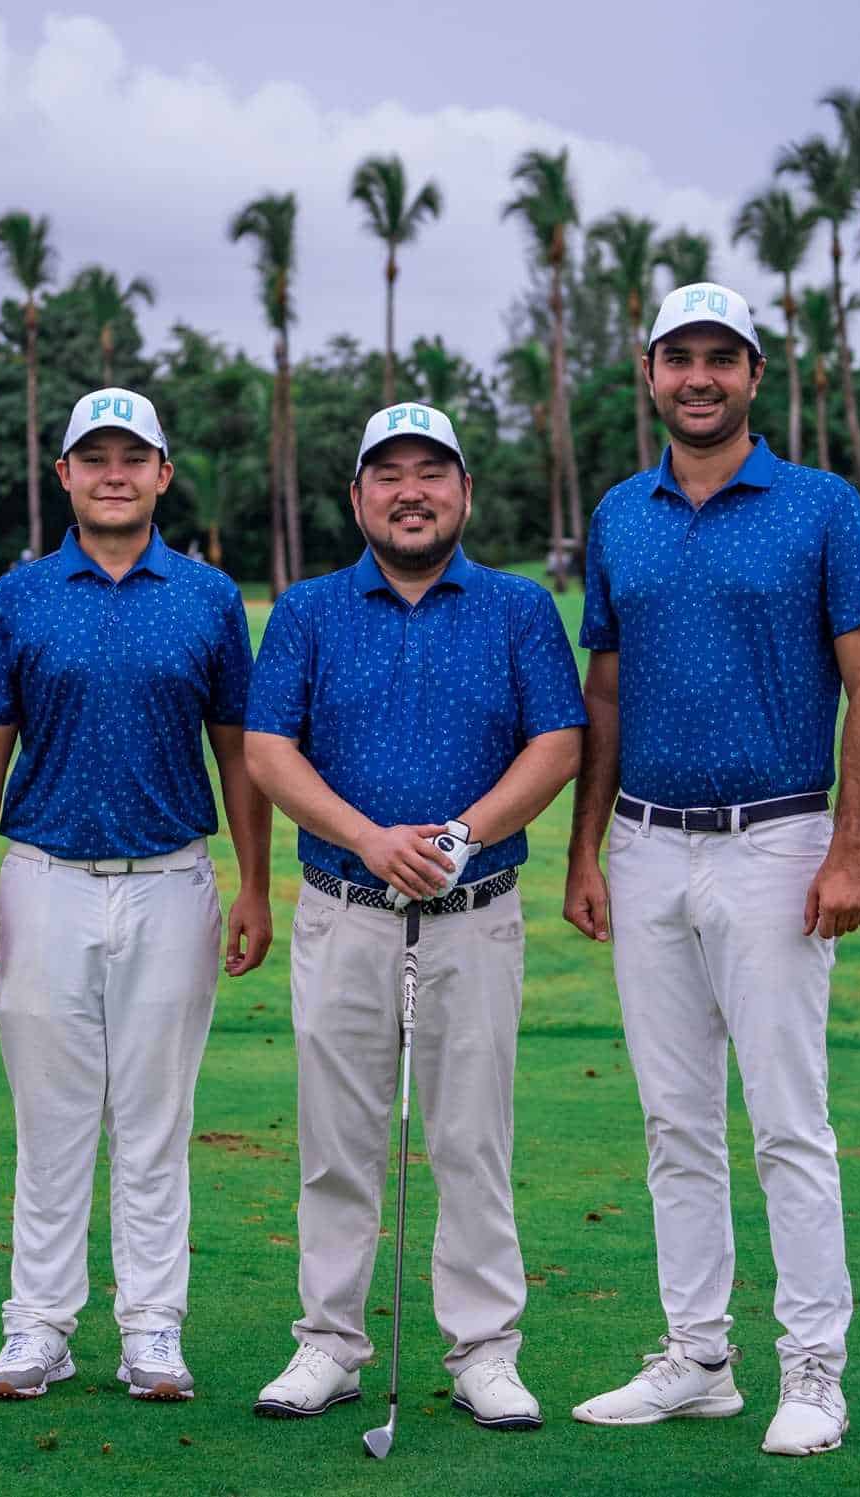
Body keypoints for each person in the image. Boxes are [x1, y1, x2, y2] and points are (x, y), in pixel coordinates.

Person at [561, 283, 860, 1455]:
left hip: (778, 841)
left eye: (720, 358)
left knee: (786, 1122)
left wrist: (849, 848)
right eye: (676, 358)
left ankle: (811, 1368)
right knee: (673, 1123)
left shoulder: (820, 506)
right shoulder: (620, 513)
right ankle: (696, 1359)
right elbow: (603, 690)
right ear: (649, 374)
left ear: (754, 375)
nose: (697, 377)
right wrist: (585, 849)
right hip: (645, 843)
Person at [243, 401, 584, 1432]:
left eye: (430, 471)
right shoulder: (307, 610)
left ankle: (484, 1350)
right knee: (334, 1140)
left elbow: (557, 744)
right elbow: (267, 751)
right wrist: (368, 838)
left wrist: (458, 837)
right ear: (356, 497)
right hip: (344, 909)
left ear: (464, 493)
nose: (409, 489)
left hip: (471, 913)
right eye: (385, 473)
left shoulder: (518, 609)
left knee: (471, 1139)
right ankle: (329, 1347)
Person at [0, 387, 273, 1404]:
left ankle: (151, 1329)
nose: (113, 472)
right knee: (50, 1121)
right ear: (65, 477)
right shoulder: (19, 596)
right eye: (94, 457)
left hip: (172, 881)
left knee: (154, 1121)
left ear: (162, 474)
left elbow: (237, 748)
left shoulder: (210, 597)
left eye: (133, 456)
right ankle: (37, 1327)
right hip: (42, 878)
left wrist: (256, 882)